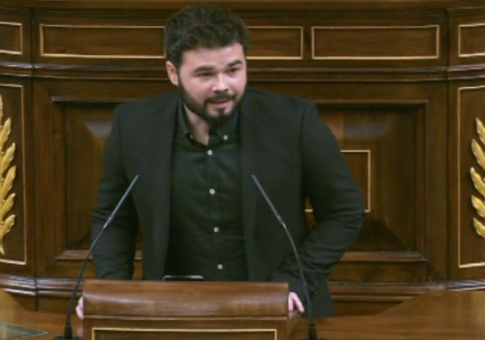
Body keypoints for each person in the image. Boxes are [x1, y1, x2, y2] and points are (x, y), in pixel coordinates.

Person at [77, 3, 364, 319]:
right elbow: (113, 218)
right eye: (205, 74)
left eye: (233, 69)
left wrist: (295, 280)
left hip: (278, 310)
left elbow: (343, 213)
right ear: (173, 73)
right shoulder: (133, 126)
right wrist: (114, 294)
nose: (223, 86)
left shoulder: (294, 121)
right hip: (172, 312)